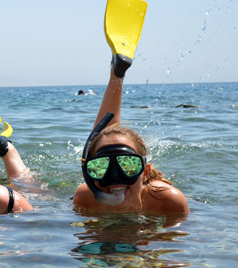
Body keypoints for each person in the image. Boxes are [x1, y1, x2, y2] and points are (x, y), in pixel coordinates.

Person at [72, 67, 189, 214]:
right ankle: (116, 76)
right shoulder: (85, 198)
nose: (115, 176)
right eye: (100, 166)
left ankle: (116, 76)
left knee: (105, 144)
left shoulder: (167, 201)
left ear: (145, 172)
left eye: (128, 164)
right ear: (90, 176)